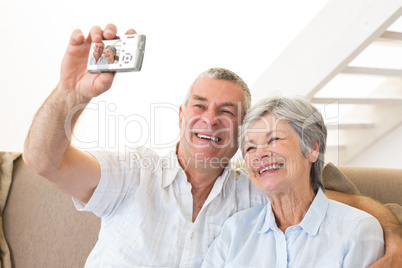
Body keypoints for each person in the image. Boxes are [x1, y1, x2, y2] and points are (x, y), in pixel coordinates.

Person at [23, 24, 401, 267]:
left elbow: (349, 206)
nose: (210, 120)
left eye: (226, 112)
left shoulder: (256, 189)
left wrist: (395, 245)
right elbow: (45, 162)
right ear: (181, 115)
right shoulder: (133, 174)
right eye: (200, 107)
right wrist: (69, 94)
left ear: (240, 134)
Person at [202, 96, 385, 267]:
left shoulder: (358, 230)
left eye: (273, 139)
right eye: (250, 148)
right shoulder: (234, 229)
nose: (259, 154)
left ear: (313, 148)